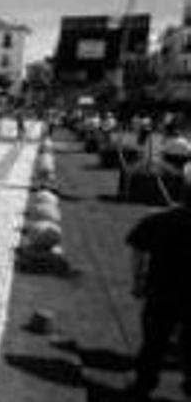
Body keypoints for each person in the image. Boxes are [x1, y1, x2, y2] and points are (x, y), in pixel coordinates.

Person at [124, 163, 191, 401]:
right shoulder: (160, 218)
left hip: (162, 290)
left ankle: (144, 383)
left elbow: (137, 248)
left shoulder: (159, 219)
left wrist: (137, 280)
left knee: (154, 341)